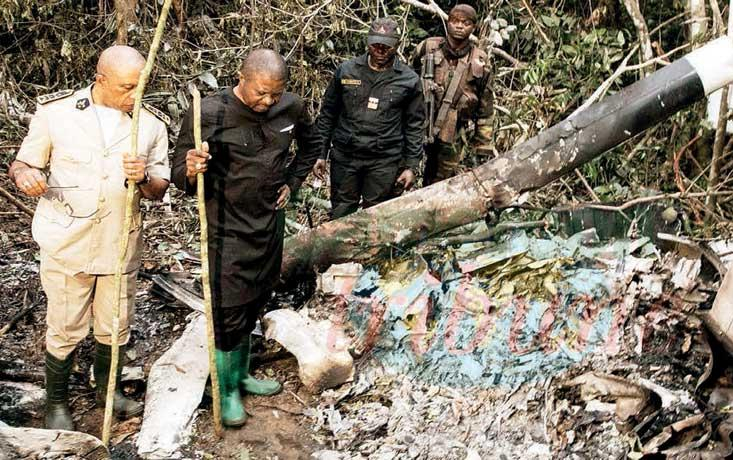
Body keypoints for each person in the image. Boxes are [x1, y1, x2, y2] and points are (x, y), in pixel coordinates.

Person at [8, 45, 171, 430]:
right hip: (68, 242)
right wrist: (25, 176)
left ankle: (108, 390)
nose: (135, 96)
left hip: (119, 243)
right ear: (101, 80)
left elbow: (161, 188)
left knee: (115, 323)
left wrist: (144, 178)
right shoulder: (57, 114)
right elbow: (24, 162)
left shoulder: (149, 124)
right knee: (65, 326)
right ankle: (57, 402)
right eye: (127, 87)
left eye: (141, 87)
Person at [171, 49, 320, 428]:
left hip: (269, 223)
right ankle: (225, 389)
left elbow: (313, 145)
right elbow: (179, 176)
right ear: (241, 77)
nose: (268, 101)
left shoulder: (291, 107)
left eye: (275, 94)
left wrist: (294, 181)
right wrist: (191, 168)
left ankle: (242, 374)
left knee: (257, 296)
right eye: (261, 93)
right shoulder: (209, 112)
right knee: (227, 309)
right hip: (226, 228)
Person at [313, 17, 425, 218]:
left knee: (378, 215)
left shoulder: (409, 80)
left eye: (387, 47)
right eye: (375, 45)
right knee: (341, 211)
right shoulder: (347, 71)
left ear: (397, 45)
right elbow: (328, 114)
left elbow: (414, 125)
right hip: (346, 156)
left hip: (384, 160)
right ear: (368, 42)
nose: (380, 50)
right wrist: (320, 153)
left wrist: (411, 166)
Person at [412, 4, 494, 185]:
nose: (459, 26)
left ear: (473, 27)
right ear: (448, 23)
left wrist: (483, 146)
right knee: (406, 172)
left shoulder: (480, 61)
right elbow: (409, 79)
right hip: (420, 121)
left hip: (454, 132)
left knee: (441, 182)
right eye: (455, 21)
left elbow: (485, 107)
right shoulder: (427, 47)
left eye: (465, 23)